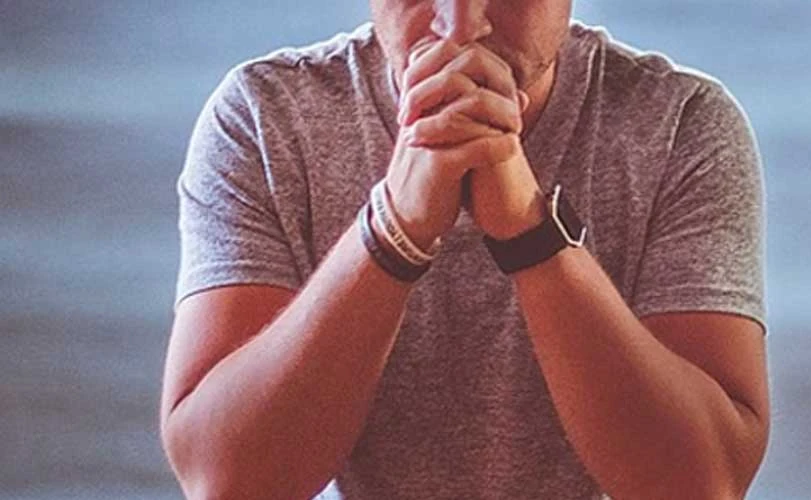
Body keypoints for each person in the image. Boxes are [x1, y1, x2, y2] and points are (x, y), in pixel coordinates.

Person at [159, 1, 771, 498]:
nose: (460, 26)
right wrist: (392, 229)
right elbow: (225, 481)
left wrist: (530, 231)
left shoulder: (679, 124)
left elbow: (705, 484)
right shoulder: (266, 118)